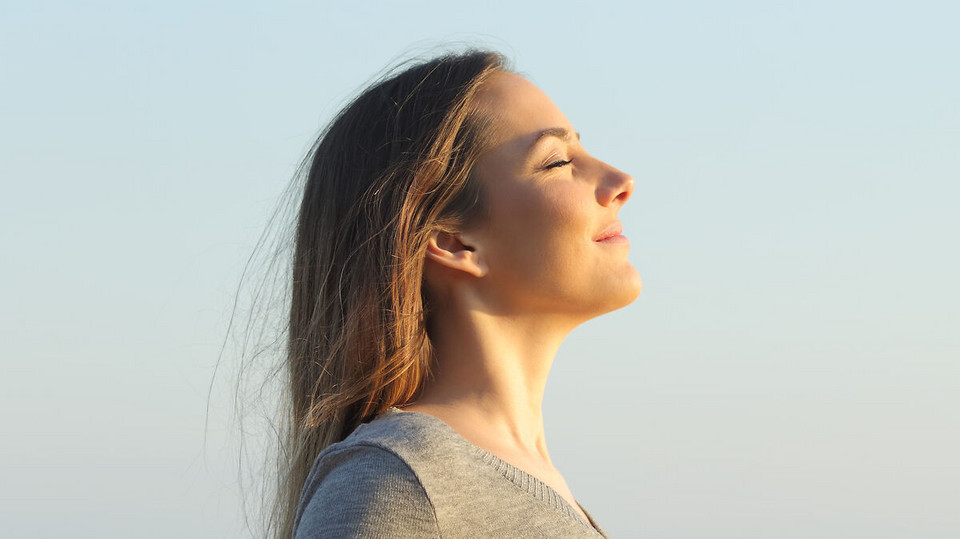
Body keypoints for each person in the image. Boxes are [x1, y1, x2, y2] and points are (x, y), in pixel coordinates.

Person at [277, 49, 640, 538]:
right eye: (557, 161)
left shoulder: (505, 486)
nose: (621, 182)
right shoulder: (398, 480)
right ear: (452, 241)